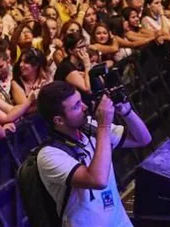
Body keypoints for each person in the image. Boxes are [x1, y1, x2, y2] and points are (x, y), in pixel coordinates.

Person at [35, 81, 152, 227]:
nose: (84, 107)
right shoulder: (49, 155)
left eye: (80, 101)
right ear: (59, 120)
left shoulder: (90, 127)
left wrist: (126, 112)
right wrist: (104, 125)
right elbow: (98, 180)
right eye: (76, 106)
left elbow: (143, 139)